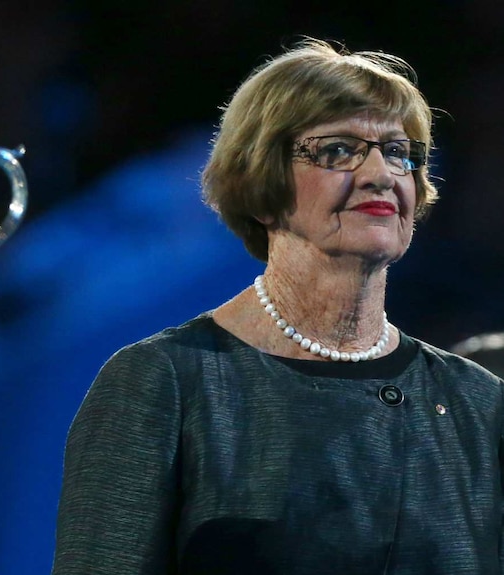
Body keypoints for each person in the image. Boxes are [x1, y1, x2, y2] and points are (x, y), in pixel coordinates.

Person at [50, 38, 504, 575]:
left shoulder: (477, 402)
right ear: (263, 181)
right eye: (339, 150)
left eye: (400, 153)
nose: (381, 174)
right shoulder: (164, 384)